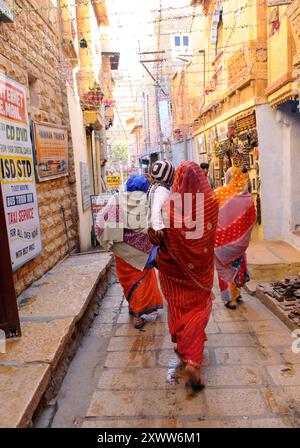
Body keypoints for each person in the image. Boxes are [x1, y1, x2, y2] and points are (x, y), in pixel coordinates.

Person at [157, 161, 219, 391]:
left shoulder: (170, 206)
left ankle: (185, 348)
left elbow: (161, 235)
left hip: (172, 271)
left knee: (178, 307)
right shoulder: (211, 203)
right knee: (199, 308)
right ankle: (192, 358)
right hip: (200, 270)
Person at [96, 174, 163, 329]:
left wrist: (111, 240)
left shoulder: (117, 199)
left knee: (130, 282)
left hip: (123, 251)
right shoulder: (148, 201)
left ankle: (135, 309)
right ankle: (138, 316)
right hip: (144, 253)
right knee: (142, 281)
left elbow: (102, 223)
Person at [214, 166, 257, 310]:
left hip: (220, 240)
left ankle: (229, 298)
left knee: (224, 268)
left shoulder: (219, 193)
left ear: (227, 178)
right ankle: (236, 293)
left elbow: (211, 213)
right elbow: (251, 218)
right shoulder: (246, 197)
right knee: (235, 266)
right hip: (238, 240)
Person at [147, 160, 175, 245]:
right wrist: (158, 227)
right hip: (160, 229)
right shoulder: (161, 190)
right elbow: (156, 208)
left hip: (154, 225)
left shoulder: (154, 186)